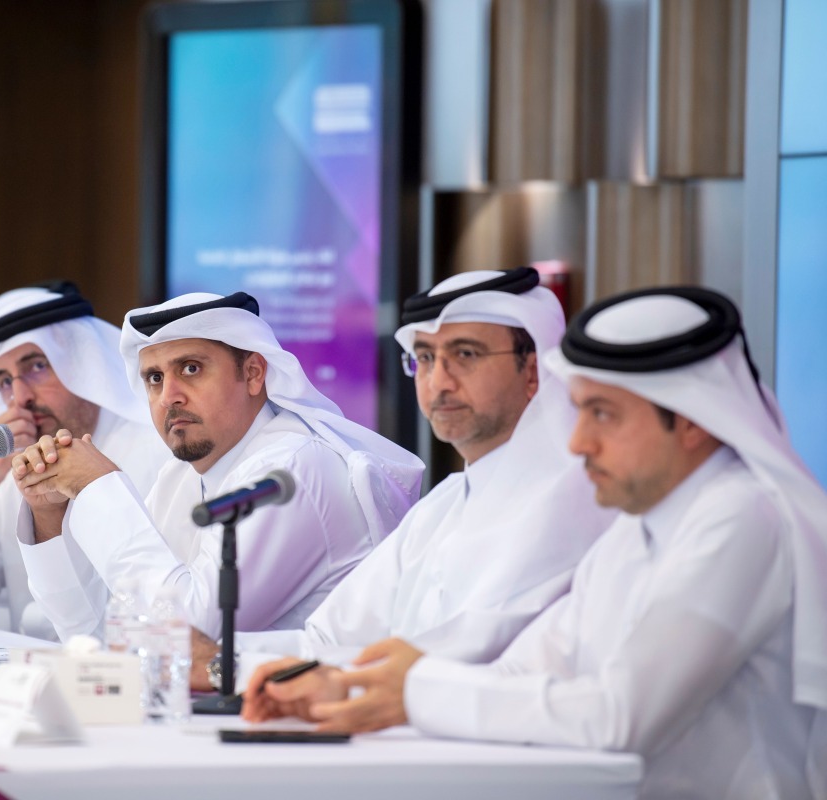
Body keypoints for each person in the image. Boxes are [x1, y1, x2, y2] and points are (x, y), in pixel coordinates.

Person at [244, 286, 827, 800]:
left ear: (693, 419)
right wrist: (345, 687)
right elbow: (532, 664)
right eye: (578, 413)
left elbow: (620, 715)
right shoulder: (638, 526)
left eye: (603, 415)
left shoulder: (742, 517)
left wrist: (412, 690)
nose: (577, 443)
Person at [220, 268, 614, 689]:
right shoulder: (441, 507)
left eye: (465, 355)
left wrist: (225, 667)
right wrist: (219, 658)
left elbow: (454, 663)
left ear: (532, 370)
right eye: (425, 358)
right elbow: (327, 639)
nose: (438, 382)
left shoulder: (574, 498)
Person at [12, 291, 425, 648]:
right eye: (154, 378)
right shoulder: (182, 478)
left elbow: (186, 637)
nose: (168, 396)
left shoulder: (293, 469)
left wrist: (97, 485)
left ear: (253, 374)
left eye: (190, 368)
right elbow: (104, 635)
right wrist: (50, 516)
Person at [0, 284, 169, 638]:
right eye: (4, 381)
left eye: (38, 366)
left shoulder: (159, 452)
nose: (20, 397)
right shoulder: (9, 470)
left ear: (83, 365)